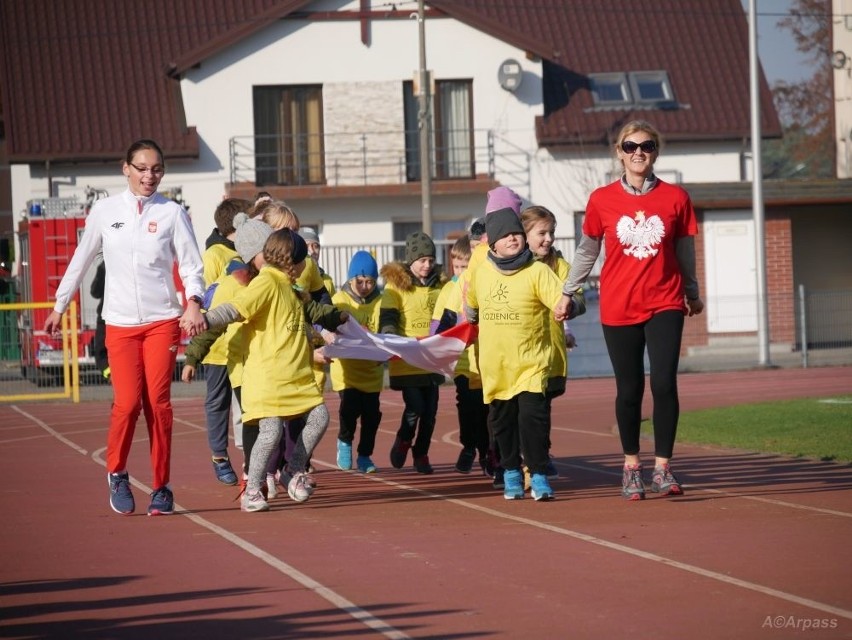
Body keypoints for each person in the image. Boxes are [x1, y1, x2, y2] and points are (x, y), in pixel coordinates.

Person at [43, 138, 207, 516]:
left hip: (162, 321)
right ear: (126, 169)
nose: (150, 176)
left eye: (156, 169)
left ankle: (162, 487)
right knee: (128, 402)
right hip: (118, 323)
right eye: (142, 168)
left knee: (158, 403)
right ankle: (116, 472)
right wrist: (59, 305)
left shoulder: (172, 213)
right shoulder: (104, 211)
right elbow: (81, 259)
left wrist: (194, 302)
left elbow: (190, 266)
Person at [554, 119, 705, 501]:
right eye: (631, 145)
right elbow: (588, 251)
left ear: (656, 151)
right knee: (629, 389)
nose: (639, 152)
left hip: (666, 301)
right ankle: (632, 466)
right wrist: (567, 291)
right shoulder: (601, 199)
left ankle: (663, 467)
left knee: (665, 383)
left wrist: (692, 290)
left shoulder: (676, 198)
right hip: (619, 304)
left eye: (647, 145)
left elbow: (684, 251)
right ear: (619, 152)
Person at [203, 226, 336, 512]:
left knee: (320, 417)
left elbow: (294, 328)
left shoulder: (293, 289)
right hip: (268, 377)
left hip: (296, 377)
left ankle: (292, 469)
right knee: (271, 431)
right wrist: (206, 319)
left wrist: (322, 339)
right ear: (293, 262)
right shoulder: (267, 283)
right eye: (303, 262)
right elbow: (236, 308)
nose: (306, 267)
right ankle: (251, 491)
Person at [465, 208, 565, 501]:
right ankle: (510, 471)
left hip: (531, 363)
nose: (513, 238)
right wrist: (468, 316)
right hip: (497, 366)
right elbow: (470, 306)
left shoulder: (537, 271)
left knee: (533, 419)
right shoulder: (482, 272)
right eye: (506, 235)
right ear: (493, 243)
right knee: (503, 422)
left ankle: (538, 474)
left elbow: (560, 300)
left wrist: (565, 306)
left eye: (517, 234)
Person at [520, 205, 586, 480]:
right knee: (522, 410)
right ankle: (522, 462)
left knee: (542, 409)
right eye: (542, 233)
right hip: (520, 351)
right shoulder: (514, 266)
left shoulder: (560, 266)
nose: (548, 239)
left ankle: (540, 455)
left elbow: (579, 297)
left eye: (552, 232)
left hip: (550, 351)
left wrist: (568, 306)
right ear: (524, 235)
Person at [181, 258, 252, 487]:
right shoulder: (220, 287)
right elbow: (207, 326)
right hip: (217, 355)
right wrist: (192, 358)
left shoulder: (257, 284)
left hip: (245, 357)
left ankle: (255, 462)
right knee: (218, 404)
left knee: (250, 407)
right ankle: (220, 455)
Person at [381, 231, 447, 474]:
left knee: (430, 413)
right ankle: (403, 439)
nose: (427, 265)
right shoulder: (395, 287)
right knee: (415, 407)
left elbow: (447, 317)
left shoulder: (440, 286)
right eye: (422, 261)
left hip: (431, 359)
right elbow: (388, 317)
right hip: (407, 358)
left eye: (430, 260)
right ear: (410, 261)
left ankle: (421, 453)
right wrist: (391, 337)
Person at [432, 235, 491, 475]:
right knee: (467, 408)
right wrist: (433, 345)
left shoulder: (483, 281)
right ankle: (468, 447)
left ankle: (487, 452)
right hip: (463, 363)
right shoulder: (450, 288)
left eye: (464, 267)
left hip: (485, 362)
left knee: (485, 411)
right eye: (456, 267)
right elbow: (440, 321)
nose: (460, 272)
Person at [330, 251, 384, 473]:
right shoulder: (339, 300)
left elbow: (386, 329)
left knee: (372, 416)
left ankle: (365, 455)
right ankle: (344, 442)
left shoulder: (381, 302)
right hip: (347, 373)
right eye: (359, 281)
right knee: (349, 412)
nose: (364, 286)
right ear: (350, 279)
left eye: (369, 281)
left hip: (372, 372)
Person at [89, 259, 110, 381]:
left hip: (105, 318)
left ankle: (111, 376)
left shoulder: (105, 265)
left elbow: (95, 292)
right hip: (127, 319)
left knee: (101, 352)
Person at [299, 227, 335, 296]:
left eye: (316, 246)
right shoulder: (292, 278)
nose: (312, 251)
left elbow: (332, 306)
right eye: (306, 246)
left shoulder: (327, 280)